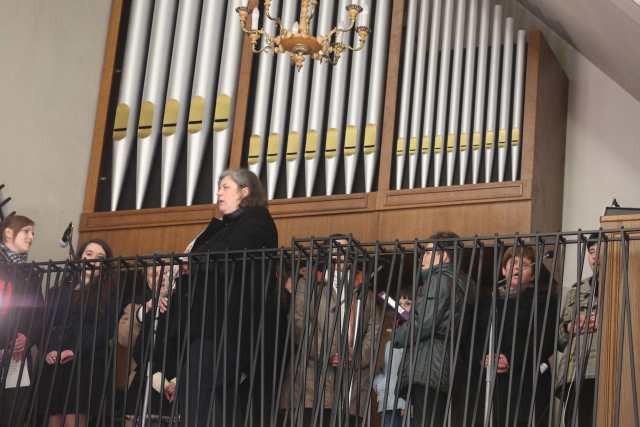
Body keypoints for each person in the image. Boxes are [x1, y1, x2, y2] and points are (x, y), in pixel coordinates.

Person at [180, 168, 279, 426]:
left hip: (228, 328)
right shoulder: (230, 225)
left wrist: (195, 258)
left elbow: (224, 256)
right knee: (199, 398)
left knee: (205, 400)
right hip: (213, 326)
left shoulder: (257, 221)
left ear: (245, 192)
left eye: (225, 187)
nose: (218, 193)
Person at [280, 236, 380, 427]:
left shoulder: (364, 292)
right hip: (312, 381)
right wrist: (325, 352)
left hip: (352, 384)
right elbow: (298, 323)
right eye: (336, 249)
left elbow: (373, 331)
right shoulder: (307, 285)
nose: (341, 255)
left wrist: (355, 356)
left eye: (345, 250)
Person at [392, 231, 469, 427]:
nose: (422, 257)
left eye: (427, 252)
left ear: (444, 255)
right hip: (442, 364)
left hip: (429, 365)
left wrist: (398, 336)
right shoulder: (459, 282)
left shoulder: (440, 279)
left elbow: (424, 322)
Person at [478, 246, 558, 426]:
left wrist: (511, 359)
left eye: (524, 265)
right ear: (504, 270)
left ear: (533, 275)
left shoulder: (544, 301)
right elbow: (475, 337)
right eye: (512, 263)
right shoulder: (488, 301)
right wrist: (483, 357)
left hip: (527, 381)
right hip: (491, 381)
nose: (517, 267)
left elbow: (545, 340)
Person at [40, 239, 116, 427]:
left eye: (100, 258)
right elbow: (49, 324)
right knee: (54, 418)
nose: (93, 260)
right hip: (57, 361)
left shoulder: (110, 293)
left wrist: (76, 350)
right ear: (79, 257)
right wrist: (49, 349)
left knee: (75, 418)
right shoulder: (59, 290)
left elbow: (106, 330)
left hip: (87, 362)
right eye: (88, 254)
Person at [117, 260, 178, 425]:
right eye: (154, 275)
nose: (160, 278)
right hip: (141, 383)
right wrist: (145, 310)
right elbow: (122, 338)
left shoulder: (186, 301)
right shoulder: (136, 304)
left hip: (176, 385)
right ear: (148, 281)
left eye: (164, 273)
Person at [0, 214, 42, 426]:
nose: (31, 236)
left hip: (17, 355)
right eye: (26, 231)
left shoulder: (32, 273)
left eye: (33, 233)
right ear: (9, 232)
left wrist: (27, 337)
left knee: (12, 414)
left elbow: (39, 313)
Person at [557, 233, 600, 427]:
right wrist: (569, 327)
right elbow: (558, 340)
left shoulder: (628, 286)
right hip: (573, 371)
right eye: (591, 251)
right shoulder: (576, 290)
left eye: (600, 250)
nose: (595, 256)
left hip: (602, 370)